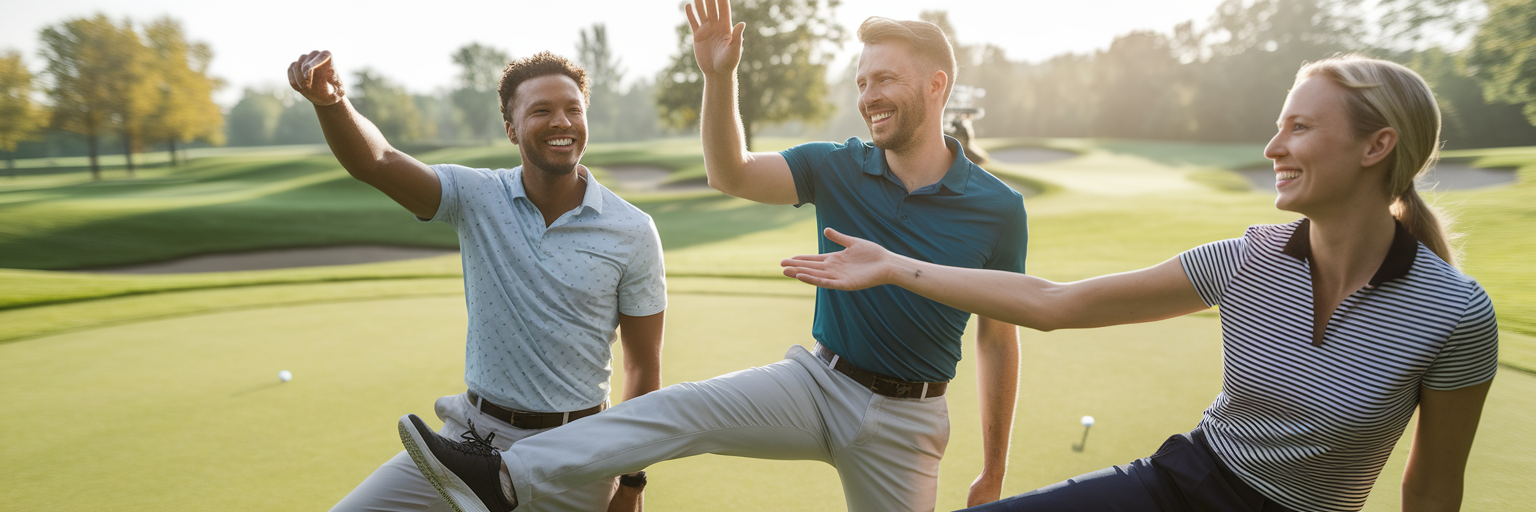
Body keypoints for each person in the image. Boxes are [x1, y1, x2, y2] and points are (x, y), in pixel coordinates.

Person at [781, 55, 1499, 512]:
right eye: (1278, 126)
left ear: (1378, 146)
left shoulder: (1453, 313)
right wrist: (891, 265)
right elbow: (1056, 304)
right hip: (1177, 485)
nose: (1273, 147)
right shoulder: (1248, 260)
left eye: (1300, 128)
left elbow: (1431, 489)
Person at [395, 1, 1028, 511]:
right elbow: (731, 172)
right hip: (817, 383)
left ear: (937, 84)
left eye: (883, 79)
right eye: (861, 82)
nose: (867, 96)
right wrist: (719, 75)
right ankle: (502, 478)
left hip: (908, 422)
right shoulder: (837, 166)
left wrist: (994, 468)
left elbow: (998, 340)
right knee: (676, 408)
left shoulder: (998, 210)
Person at [287, 49, 666, 512]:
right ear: (511, 129)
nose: (561, 122)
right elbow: (378, 161)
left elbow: (642, 369)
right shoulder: (475, 195)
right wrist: (332, 103)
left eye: (573, 109)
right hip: (472, 442)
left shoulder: (632, 230)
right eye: (541, 111)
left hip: (578, 450)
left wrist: (631, 482)